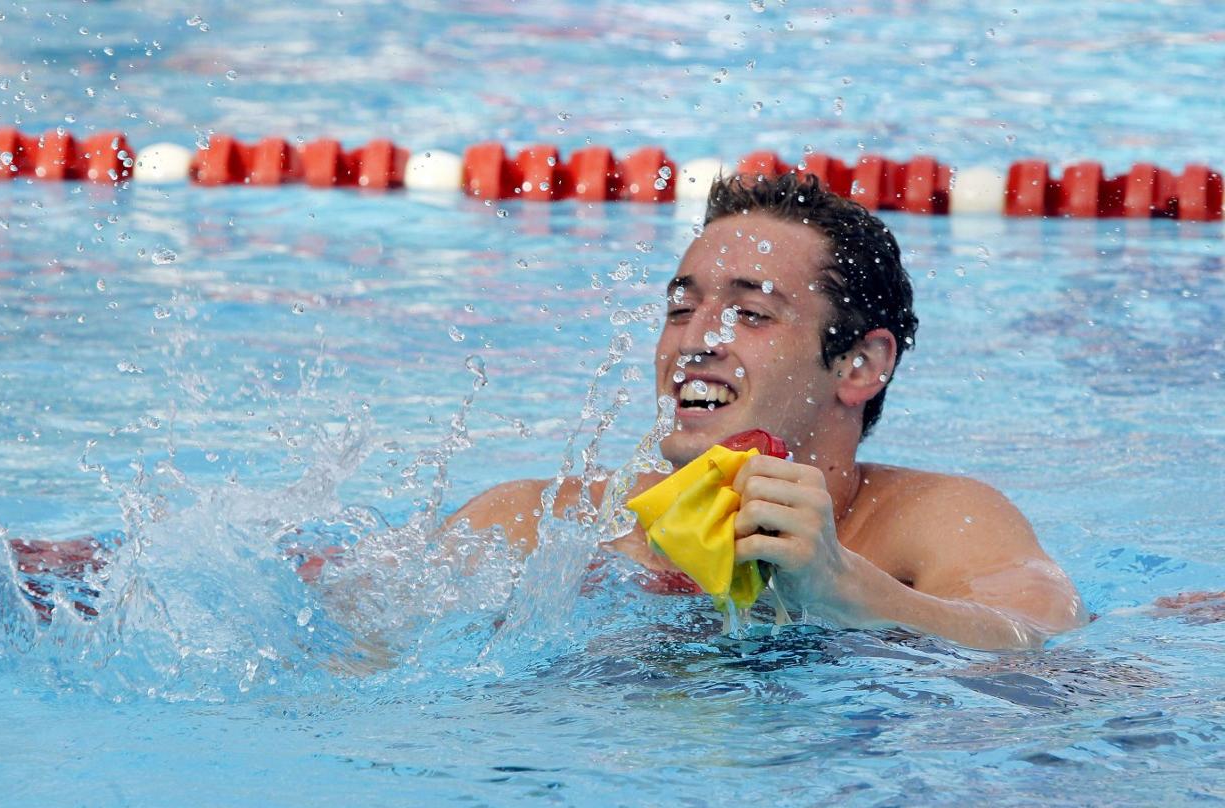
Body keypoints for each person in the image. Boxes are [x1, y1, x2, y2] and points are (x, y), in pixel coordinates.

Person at [450, 172, 1087, 651]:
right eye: (680, 309)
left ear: (859, 365)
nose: (695, 340)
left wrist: (843, 588)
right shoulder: (538, 528)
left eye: (751, 314)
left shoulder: (933, 523)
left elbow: (1043, 637)